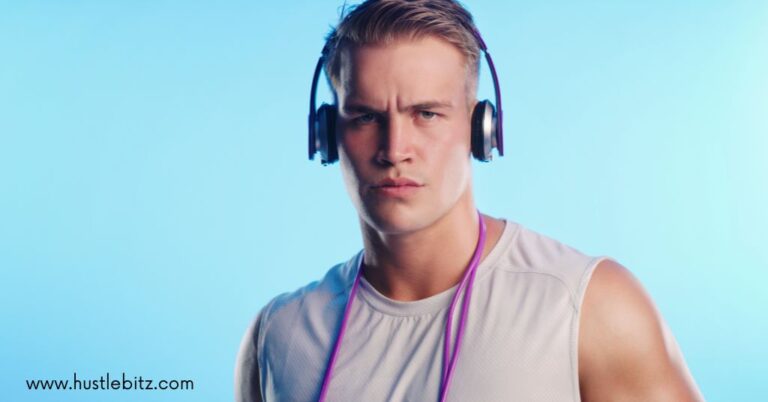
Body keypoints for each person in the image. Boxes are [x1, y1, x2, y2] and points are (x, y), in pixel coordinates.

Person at [235, 1, 704, 401]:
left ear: (482, 130)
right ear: (327, 135)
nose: (395, 148)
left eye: (427, 114)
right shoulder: (278, 336)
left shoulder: (590, 308)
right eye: (364, 117)